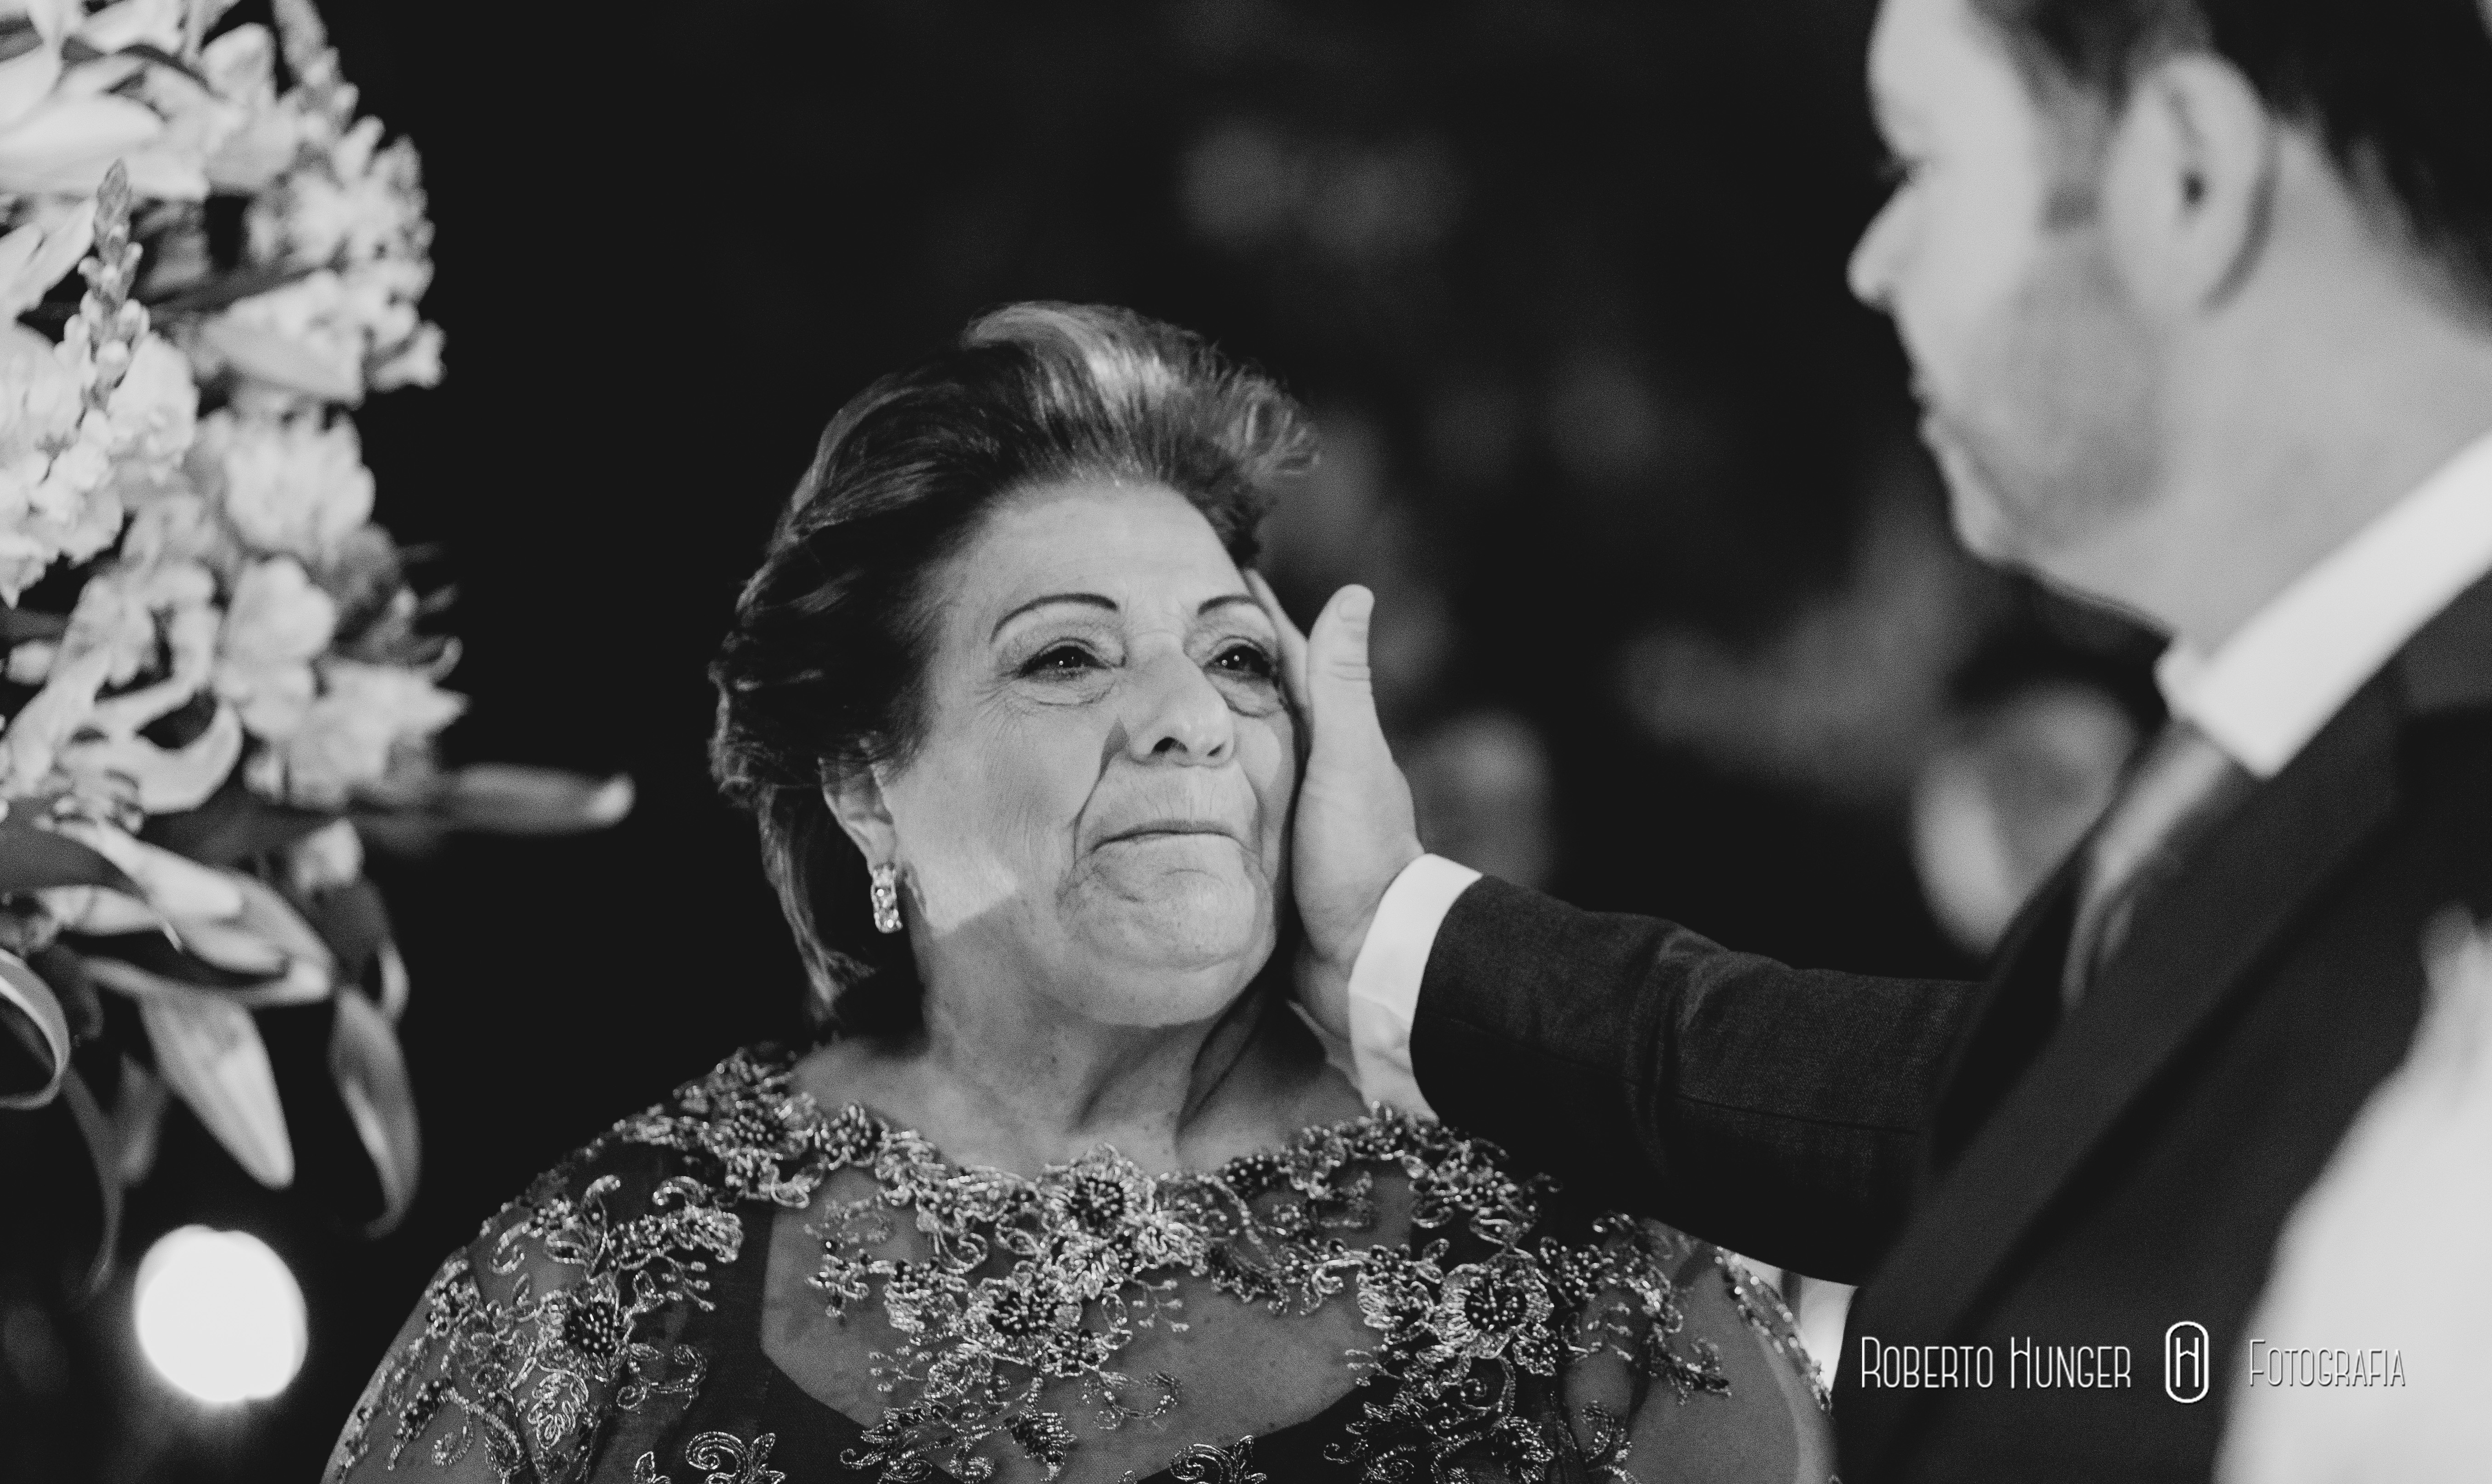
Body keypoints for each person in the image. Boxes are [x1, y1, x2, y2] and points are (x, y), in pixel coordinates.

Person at [1272, 0, 2492, 1481]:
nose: (1873, 264)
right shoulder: (2285, 749)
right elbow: (2012, 1114)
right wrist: (1401, 937)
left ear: (2189, 180)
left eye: (1922, 164)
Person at [322, 304, 1833, 1484]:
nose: (1186, 712)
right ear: (864, 778)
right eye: (1066, 655)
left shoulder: (1580, 1262)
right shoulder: (621, 1262)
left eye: (1239, 658)